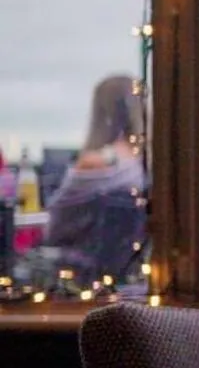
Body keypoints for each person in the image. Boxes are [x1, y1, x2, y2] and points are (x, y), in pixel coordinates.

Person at [45, 75, 148, 268]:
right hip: (129, 267)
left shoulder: (95, 163)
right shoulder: (143, 164)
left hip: (80, 265)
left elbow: (55, 225)